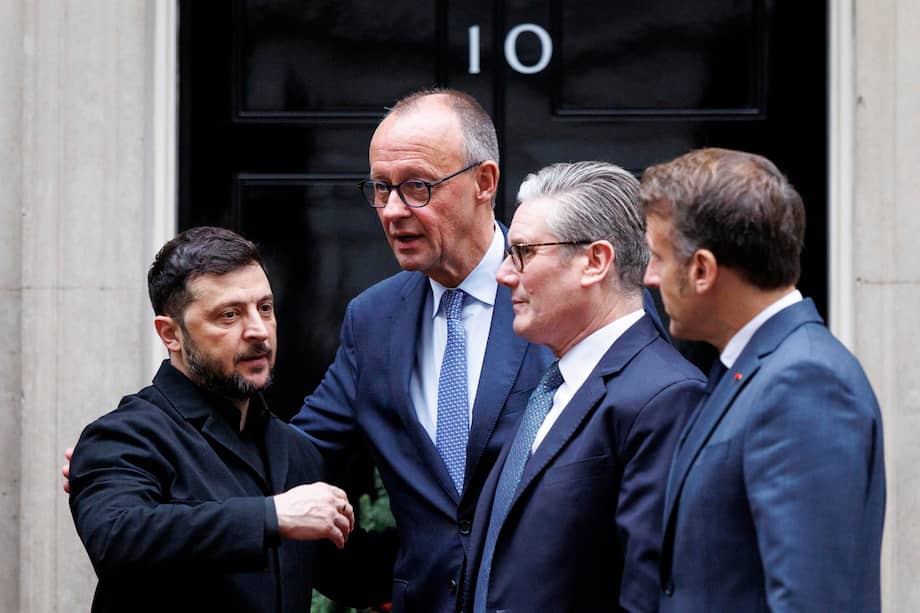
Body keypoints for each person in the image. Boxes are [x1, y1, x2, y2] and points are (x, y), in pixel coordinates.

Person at [67, 227, 391, 613]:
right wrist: (272, 516)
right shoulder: (123, 435)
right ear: (171, 334)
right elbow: (115, 538)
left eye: (265, 308)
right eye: (230, 315)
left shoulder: (296, 452)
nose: (257, 331)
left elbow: (360, 577)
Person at [640, 148, 886, 612]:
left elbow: (812, 600)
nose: (649, 277)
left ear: (702, 270)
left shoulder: (805, 383)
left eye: (657, 256)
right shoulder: (751, 367)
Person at [462, 161, 705, 613]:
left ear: (595, 262)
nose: (503, 275)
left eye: (524, 253)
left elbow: (650, 593)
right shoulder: (553, 386)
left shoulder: (666, 397)